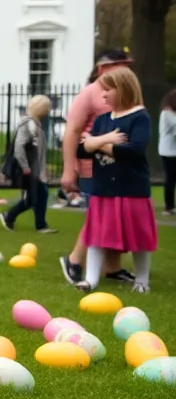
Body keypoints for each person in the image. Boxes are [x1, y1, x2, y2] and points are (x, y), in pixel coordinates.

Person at [74, 66, 157, 293]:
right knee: (97, 236)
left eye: (107, 90)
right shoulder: (102, 120)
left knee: (139, 238)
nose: (103, 95)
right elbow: (82, 150)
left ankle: (142, 281)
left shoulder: (141, 117)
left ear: (122, 89)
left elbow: (134, 150)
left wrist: (98, 143)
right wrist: (107, 140)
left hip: (132, 189)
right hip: (103, 190)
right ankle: (90, 280)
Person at [58, 50, 134, 287]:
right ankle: (73, 260)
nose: (126, 70)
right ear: (102, 68)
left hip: (118, 167)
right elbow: (71, 132)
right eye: (119, 65)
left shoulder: (124, 93)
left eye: (127, 65)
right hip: (93, 167)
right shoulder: (89, 94)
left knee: (115, 216)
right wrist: (69, 170)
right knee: (98, 217)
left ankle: (112, 268)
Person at [0, 95, 56, 233]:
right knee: (33, 197)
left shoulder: (35, 124)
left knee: (39, 194)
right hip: (29, 170)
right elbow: (19, 147)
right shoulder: (28, 124)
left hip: (34, 169)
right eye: (47, 107)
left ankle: (40, 225)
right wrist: (25, 166)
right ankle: (10, 216)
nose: (49, 110)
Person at [160, 88, 176, 216]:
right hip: (168, 152)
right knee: (170, 180)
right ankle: (169, 207)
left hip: (173, 150)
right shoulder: (167, 113)